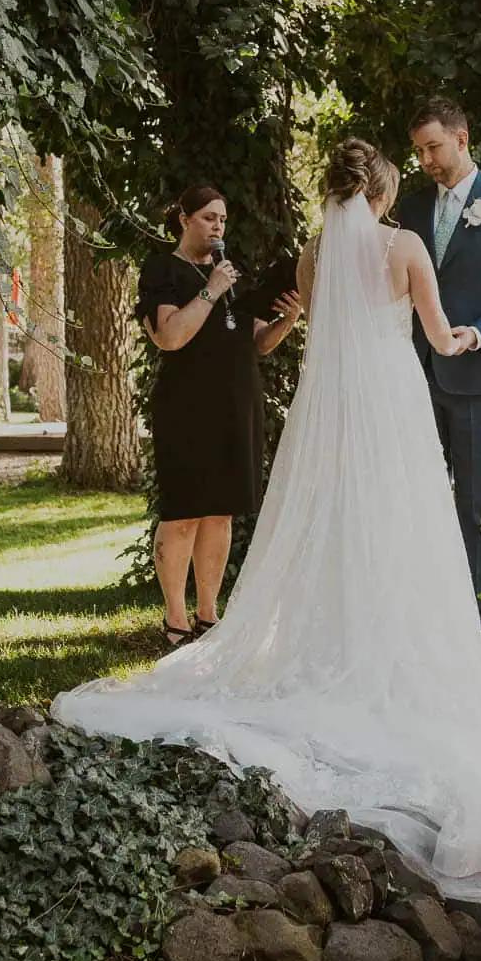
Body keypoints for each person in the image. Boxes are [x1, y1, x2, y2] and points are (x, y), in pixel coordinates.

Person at [53, 139, 481, 898]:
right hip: (388, 406)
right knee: (399, 527)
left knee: (323, 519)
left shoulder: (311, 253)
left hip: (327, 412)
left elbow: (312, 331)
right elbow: (434, 335)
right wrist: (466, 335)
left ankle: (305, 630)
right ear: (385, 195)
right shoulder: (405, 246)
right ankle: (382, 636)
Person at [396, 99, 481, 643]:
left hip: (479, 376)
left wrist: (476, 332)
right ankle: (421, 613)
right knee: (413, 492)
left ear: (462, 137)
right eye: (418, 151)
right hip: (412, 372)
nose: (426, 160)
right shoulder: (408, 209)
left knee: (479, 498)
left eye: (432, 147)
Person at [136, 185, 302, 645]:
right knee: (184, 513)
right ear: (185, 218)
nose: (218, 227)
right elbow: (169, 337)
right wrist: (211, 290)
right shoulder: (163, 270)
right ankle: (175, 620)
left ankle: (209, 615)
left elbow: (257, 342)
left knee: (221, 515)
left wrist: (287, 320)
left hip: (236, 400)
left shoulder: (232, 274)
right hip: (186, 405)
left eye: (223, 220)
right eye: (209, 218)